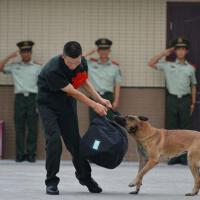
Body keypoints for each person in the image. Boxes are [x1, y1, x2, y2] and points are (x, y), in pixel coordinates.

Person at [37, 41, 112, 195]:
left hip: (66, 105)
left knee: (76, 143)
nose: (73, 66)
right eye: (70, 63)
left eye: (76, 62)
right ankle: (51, 181)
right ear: (63, 56)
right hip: (48, 105)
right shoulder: (53, 69)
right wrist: (93, 105)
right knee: (54, 141)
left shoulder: (80, 62)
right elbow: (73, 92)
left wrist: (100, 99)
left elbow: (82, 81)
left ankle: (86, 178)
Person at [148, 37, 197, 165]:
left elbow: (193, 85)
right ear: (175, 51)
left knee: (186, 129)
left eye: (183, 49)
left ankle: (185, 157)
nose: (181, 52)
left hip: (185, 99)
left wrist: (192, 102)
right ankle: (174, 157)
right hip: (172, 99)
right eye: (178, 49)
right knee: (172, 130)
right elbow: (151, 63)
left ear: (186, 51)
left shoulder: (190, 68)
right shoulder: (168, 65)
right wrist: (164, 53)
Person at [0, 41, 41, 162]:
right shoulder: (14, 66)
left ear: (31, 53)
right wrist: (9, 57)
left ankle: (31, 154)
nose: (26, 54)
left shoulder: (37, 67)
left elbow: (46, 78)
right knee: (19, 126)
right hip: (19, 99)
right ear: (20, 53)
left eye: (28, 51)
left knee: (33, 127)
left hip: (33, 98)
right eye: (23, 52)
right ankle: (19, 154)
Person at [84, 38, 122, 122]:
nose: (103, 52)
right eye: (101, 49)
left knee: (109, 123)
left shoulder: (115, 66)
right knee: (94, 123)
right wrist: (91, 52)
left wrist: (116, 101)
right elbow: (78, 61)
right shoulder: (90, 63)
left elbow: (117, 85)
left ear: (109, 50)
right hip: (94, 97)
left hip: (108, 97)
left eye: (105, 49)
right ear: (98, 51)